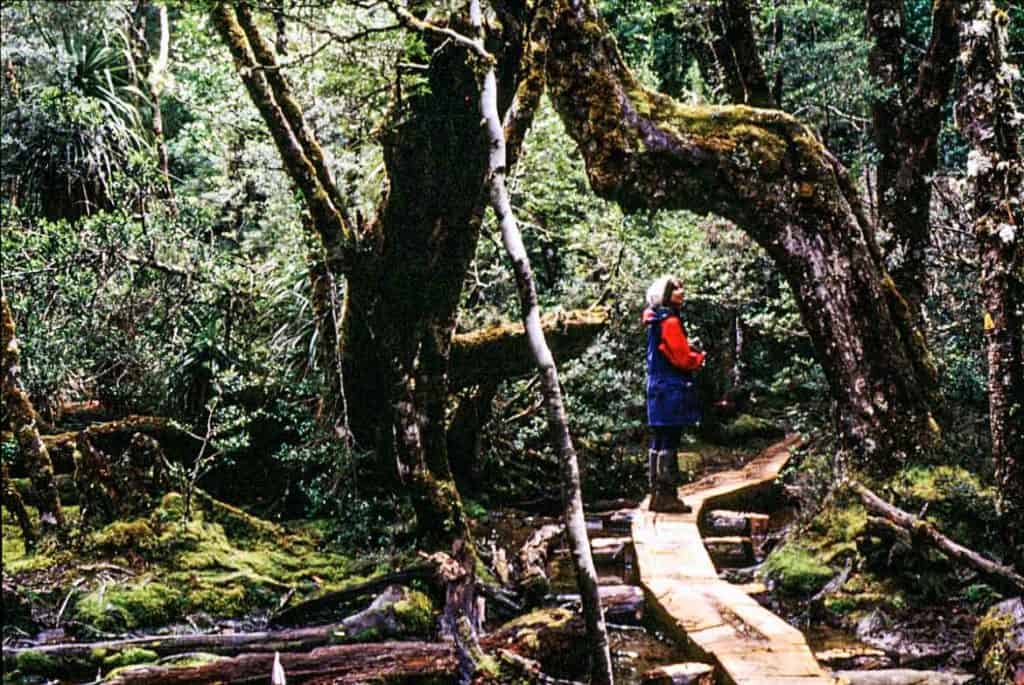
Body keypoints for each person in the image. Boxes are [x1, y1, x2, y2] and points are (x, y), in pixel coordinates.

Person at [643, 275, 705, 513]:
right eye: (676, 288)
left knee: (659, 438)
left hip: (656, 386)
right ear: (666, 295)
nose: (682, 291)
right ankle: (667, 496)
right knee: (670, 438)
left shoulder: (655, 320)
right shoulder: (669, 322)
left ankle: (656, 495)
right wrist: (698, 358)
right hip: (670, 387)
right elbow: (681, 357)